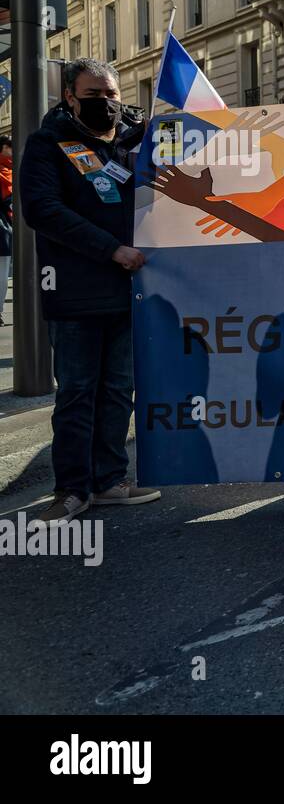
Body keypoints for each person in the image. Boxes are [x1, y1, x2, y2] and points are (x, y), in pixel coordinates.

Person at [20, 57, 162, 523]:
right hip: (77, 292)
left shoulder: (133, 140)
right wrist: (110, 250)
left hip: (130, 290)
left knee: (119, 390)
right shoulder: (47, 144)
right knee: (78, 392)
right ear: (69, 97)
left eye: (110, 94)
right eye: (93, 95)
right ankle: (71, 490)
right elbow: (42, 210)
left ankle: (109, 481)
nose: (104, 103)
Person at [0, 135, 13, 326]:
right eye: (10, 147)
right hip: (2, 230)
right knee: (2, 272)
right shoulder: (6, 172)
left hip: (5, 228)